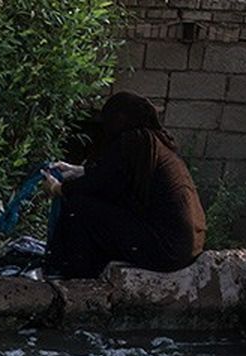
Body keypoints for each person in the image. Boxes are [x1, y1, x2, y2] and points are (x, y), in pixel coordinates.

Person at [42, 91, 206, 280]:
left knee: (79, 207)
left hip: (165, 249)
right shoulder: (152, 142)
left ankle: (76, 279)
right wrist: (78, 170)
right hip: (183, 249)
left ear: (118, 118)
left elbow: (103, 183)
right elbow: (113, 174)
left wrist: (58, 189)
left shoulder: (135, 141)